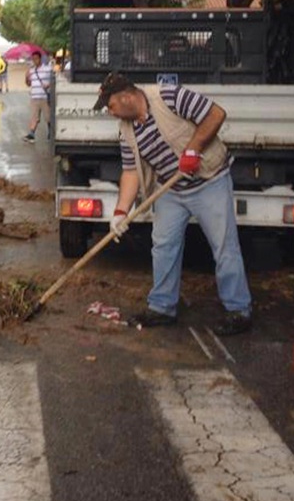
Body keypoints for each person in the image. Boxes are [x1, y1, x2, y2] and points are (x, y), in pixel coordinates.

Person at [95, 71, 253, 336]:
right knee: (164, 246)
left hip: (209, 182)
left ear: (125, 96)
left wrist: (194, 148)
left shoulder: (169, 96)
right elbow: (131, 172)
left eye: (110, 106)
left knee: (224, 247)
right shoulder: (126, 130)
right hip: (171, 190)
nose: (110, 112)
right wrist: (121, 211)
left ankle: (239, 309)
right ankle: (162, 307)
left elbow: (215, 114)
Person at [23, 50, 53, 141]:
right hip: (34, 97)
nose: (34, 60)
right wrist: (26, 77)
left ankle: (51, 133)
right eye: (33, 59)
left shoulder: (48, 69)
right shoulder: (31, 71)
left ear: (40, 59)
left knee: (48, 117)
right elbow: (28, 84)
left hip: (44, 97)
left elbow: (54, 80)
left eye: (36, 58)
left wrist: (48, 85)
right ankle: (31, 134)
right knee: (34, 117)